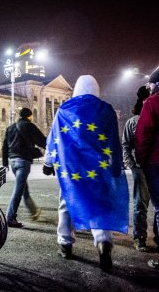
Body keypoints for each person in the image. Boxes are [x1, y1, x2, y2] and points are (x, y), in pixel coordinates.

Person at [43, 75, 129, 272]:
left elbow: (54, 137)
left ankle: (65, 243)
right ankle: (103, 242)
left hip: (71, 168)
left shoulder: (65, 109)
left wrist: (48, 162)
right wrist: (116, 165)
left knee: (67, 202)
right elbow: (112, 141)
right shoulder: (106, 110)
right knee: (99, 204)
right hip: (97, 168)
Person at [2, 107, 46, 228]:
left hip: (13, 162)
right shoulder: (29, 126)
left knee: (23, 187)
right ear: (29, 116)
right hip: (23, 161)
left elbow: (4, 147)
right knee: (19, 189)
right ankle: (10, 218)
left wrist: (5, 163)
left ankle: (33, 211)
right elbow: (42, 141)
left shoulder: (10, 128)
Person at [121, 86, 150, 251]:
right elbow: (125, 144)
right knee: (140, 204)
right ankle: (140, 237)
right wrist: (131, 164)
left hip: (150, 167)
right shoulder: (133, 121)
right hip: (140, 168)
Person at [135, 68, 159, 269]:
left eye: (150, 84)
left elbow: (143, 135)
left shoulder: (152, 103)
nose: (149, 87)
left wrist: (141, 160)